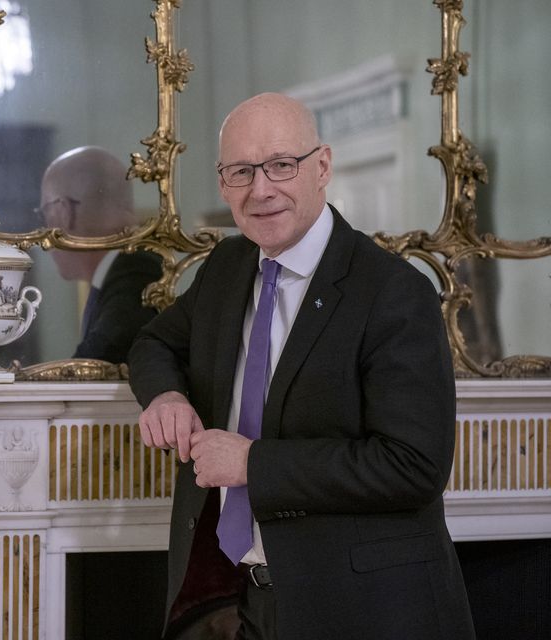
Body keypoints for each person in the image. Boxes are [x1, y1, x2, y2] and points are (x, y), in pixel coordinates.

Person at [128, 93, 474, 639]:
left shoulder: (394, 292)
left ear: (322, 167)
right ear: (223, 183)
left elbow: (413, 466)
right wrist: (166, 397)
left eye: (281, 165)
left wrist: (253, 465)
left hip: (366, 610)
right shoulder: (227, 266)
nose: (261, 189)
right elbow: (154, 344)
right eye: (241, 171)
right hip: (245, 598)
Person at [38, 146, 162, 363]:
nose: (42, 233)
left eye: (45, 214)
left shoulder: (135, 277)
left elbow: (93, 366)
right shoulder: (131, 270)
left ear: (64, 213)